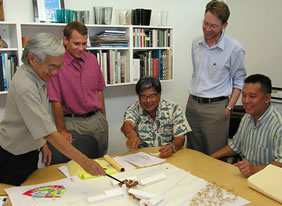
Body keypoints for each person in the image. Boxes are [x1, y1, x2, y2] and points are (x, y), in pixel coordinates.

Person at [0, 33, 105, 186]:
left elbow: (37, 117)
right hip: (13, 156)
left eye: (59, 66)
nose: (55, 72)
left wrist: (42, 144)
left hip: (29, 151)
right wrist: (84, 162)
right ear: (32, 59)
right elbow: (48, 131)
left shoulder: (36, 75)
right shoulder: (25, 86)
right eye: (51, 67)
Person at [186, 0, 246, 155]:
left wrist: (229, 108)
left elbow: (239, 81)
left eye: (213, 26)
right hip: (193, 106)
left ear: (224, 25)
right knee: (193, 153)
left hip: (216, 108)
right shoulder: (195, 43)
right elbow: (196, 73)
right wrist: (190, 97)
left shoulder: (235, 48)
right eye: (205, 23)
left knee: (215, 155)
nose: (207, 29)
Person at [211, 74, 282, 177]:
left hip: (273, 181)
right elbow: (235, 146)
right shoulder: (247, 118)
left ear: (267, 98)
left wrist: (254, 170)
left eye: (252, 96)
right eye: (244, 95)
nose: (246, 101)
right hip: (248, 176)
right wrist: (211, 157)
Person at [47, 21, 108, 158]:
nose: (81, 48)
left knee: (102, 163)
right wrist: (61, 130)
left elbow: (99, 90)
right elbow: (55, 101)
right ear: (65, 40)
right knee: (78, 167)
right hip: (73, 124)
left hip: (97, 121)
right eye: (76, 44)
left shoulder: (92, 60)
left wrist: (103, 118)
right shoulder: (56, 64)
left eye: (84, 44)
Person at [121, 76, 191, 158]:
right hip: (142, 157)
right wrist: (131, 134)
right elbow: (127, 124)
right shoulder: (133, 109)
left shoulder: (173, 108)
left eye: (152, 96)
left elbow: (180, 137)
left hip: (167, 156)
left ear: (159, 94)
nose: (148, 101)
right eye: (143, 96)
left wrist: (172, 147)